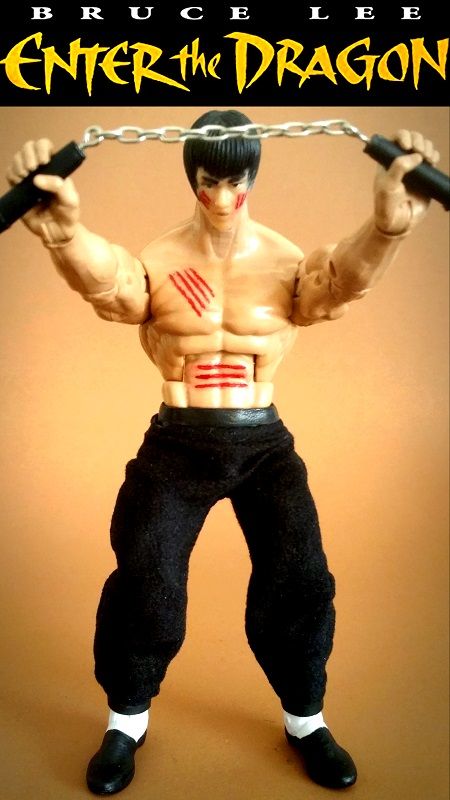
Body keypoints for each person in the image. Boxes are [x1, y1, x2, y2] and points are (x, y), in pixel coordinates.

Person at [7, 110, 439, 795]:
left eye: (237, 181)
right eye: (211, 180)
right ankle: (126, 721)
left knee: (300, 576)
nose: (223, 196)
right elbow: (114, 290)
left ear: (253, 179)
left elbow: (337, 286)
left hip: (262, 442)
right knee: (146, 578)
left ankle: (305, 720)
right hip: (177, 441)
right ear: (193, 180)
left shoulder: (285, 261)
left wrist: (387, 229)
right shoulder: (160, 260)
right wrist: (66, 237)